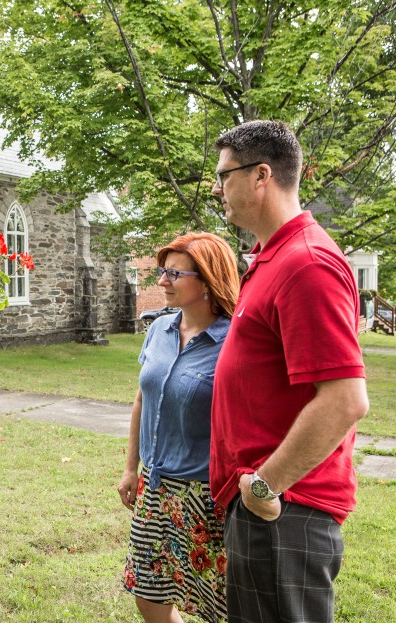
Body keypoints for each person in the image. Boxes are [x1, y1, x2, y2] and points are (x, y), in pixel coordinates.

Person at [209, 120, 369, 623]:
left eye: (224, 175)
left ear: (261, 176)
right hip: (268, 506)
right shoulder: (271, 259)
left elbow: (345, 399)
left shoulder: (307, 264)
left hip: (286, 509)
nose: (215, 188)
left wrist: (264, 486)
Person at [118, 232, 240, 623]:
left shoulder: (235, 342)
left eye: (174, 273)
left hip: (206, 496)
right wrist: (130, 468)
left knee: (217, 605)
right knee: (148, 596)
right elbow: (142, 399)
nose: (162, 281)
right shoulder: (159, 329)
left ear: (207, 281)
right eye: (163, 271)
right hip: (154, 489)